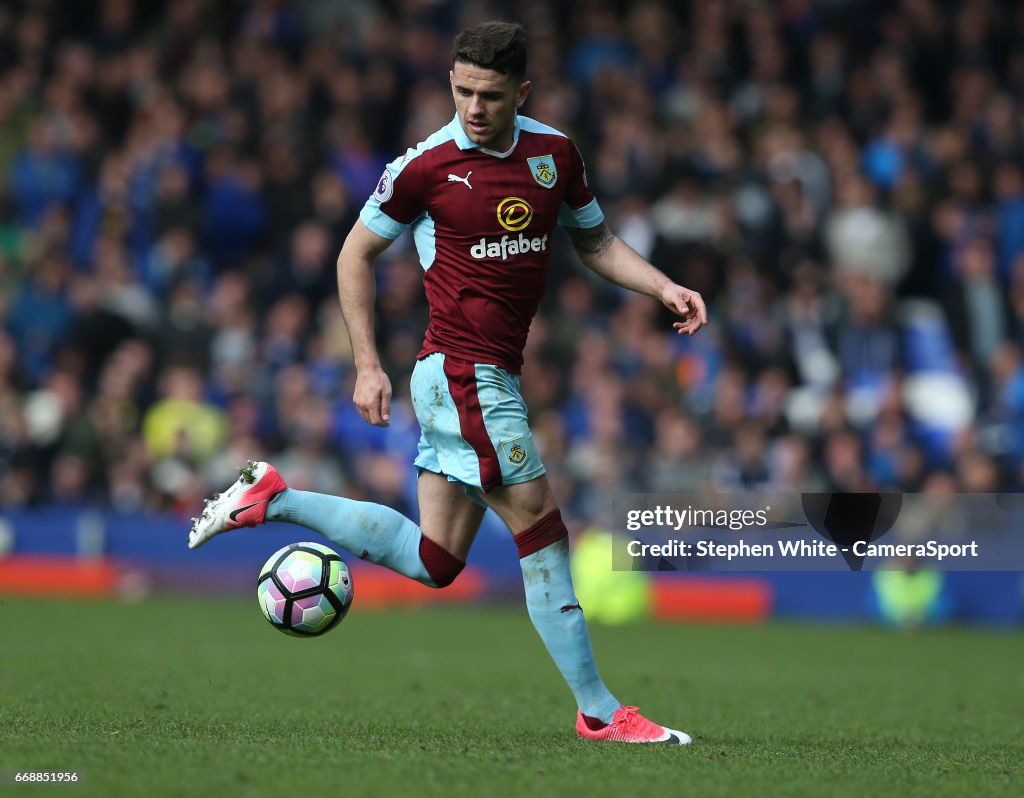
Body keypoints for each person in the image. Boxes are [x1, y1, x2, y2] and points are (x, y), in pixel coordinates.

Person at [189, 21, 706, 745]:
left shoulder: (554, 154)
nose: (472, 107)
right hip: (465, 375)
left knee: (436, 560)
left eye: (489, 95)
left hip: (473, 378)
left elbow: (595, 241)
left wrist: (662, 286)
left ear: (521, 92)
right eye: (461, 91)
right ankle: (599, 711)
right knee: (543, 532)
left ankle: (276, 496)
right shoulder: (424, 166)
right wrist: (366, 362)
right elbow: (353, 255)